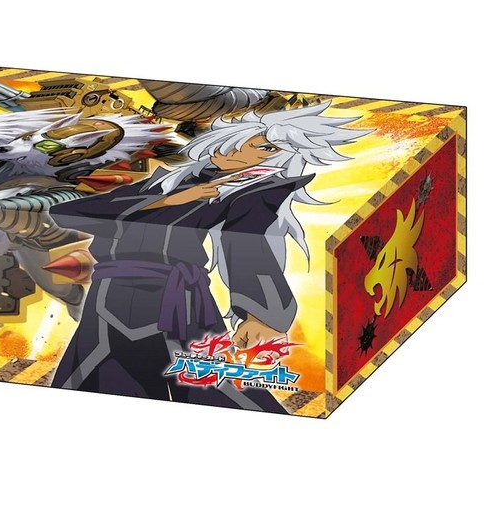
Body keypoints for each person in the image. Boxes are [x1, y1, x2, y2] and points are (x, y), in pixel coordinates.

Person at [48, 102, 372, 412]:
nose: (240, 149)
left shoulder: (253, 192)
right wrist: (166, 201)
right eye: (247, 140)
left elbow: (247, 243)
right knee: (100, 380)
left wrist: (262, 314)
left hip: (176, 301)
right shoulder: (168, 181)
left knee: (215, 388)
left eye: (266, 149)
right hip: (110, 298)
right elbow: (68, 213)